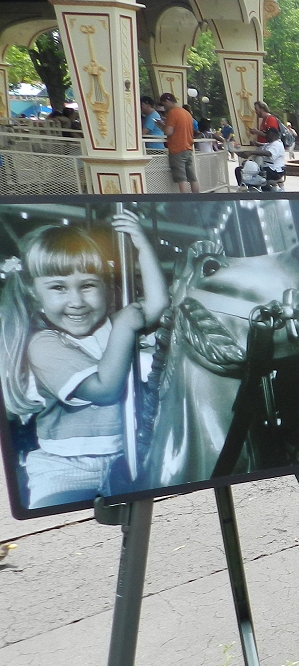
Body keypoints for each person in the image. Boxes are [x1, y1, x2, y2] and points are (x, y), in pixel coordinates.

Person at [0, 215, 168, 508]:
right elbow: (104, 390)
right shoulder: (43, 345)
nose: (76, 300)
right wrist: (125, 328)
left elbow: (156, 305)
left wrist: (143, 247)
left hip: (123, 455)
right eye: (59, 288)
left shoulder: (110, 327)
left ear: (104, 287)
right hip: (66, 467)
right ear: (34, 293)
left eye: (88, 285)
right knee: (60, 527)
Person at [158, 93, 199, 193]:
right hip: (188, 148)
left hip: (177, 149)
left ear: (167, 102)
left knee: (181, 178)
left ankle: (185, 201)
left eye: (164, 104)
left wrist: (161, 125)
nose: (164, 107)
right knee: (192, 177)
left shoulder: (173, 113)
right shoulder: (187, 113)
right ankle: (198, 198)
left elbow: (168, 131)